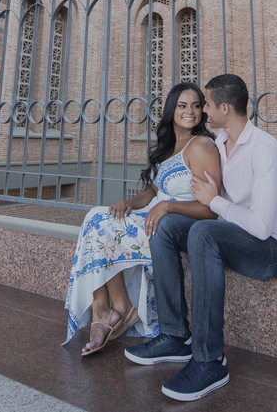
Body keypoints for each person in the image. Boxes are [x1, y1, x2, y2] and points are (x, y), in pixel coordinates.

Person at [124, 73, 277, 402]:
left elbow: (260, 227)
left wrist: (214, 202)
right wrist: (166, 205)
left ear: (225, 108)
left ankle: (210, 359)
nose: (202, 110)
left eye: (207, 104)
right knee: (166, 224)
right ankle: (174, 335)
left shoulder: (265, 151)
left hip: (270, 250)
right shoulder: (219, 144)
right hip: (232, 234)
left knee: (203, 232)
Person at [64, 83, 221, 356]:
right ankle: (105, 307)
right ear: (171, 109)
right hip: (154, 218)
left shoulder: (201, 146)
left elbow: (211, 210)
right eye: (183, 105)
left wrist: (169, 208)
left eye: (196, 105)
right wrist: (128, 203)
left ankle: (117, 310)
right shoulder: (171, 145)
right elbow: (154, 190)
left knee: (103, 225)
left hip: (177, 229)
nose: (190, 111)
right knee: (97, 215)